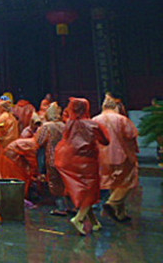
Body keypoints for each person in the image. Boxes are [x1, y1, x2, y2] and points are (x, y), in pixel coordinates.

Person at [54, 97, 110, 235]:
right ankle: (78, 219)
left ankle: (94, 221)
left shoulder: (69, 124)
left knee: (84, 190)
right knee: (91, 190)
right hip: (85, 161)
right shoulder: (92, 124)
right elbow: (106, 141)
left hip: (65, 159)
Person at [93, 94, 139, 222]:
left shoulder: (95, 119)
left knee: (114, 182)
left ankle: (120, 213)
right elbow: (131, 135)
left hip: (102, 157)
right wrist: (135, 150)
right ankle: (112, 203)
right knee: (127, 181)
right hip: (121, 155)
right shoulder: (121, 119)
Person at [35, 102, 68, 215]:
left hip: (52, 157)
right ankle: (71, 206)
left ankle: (61, 207)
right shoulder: (64, 125)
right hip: (66, 157)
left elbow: (39, 141)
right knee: (66, 181)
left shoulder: (47, 126)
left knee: (55, 182)